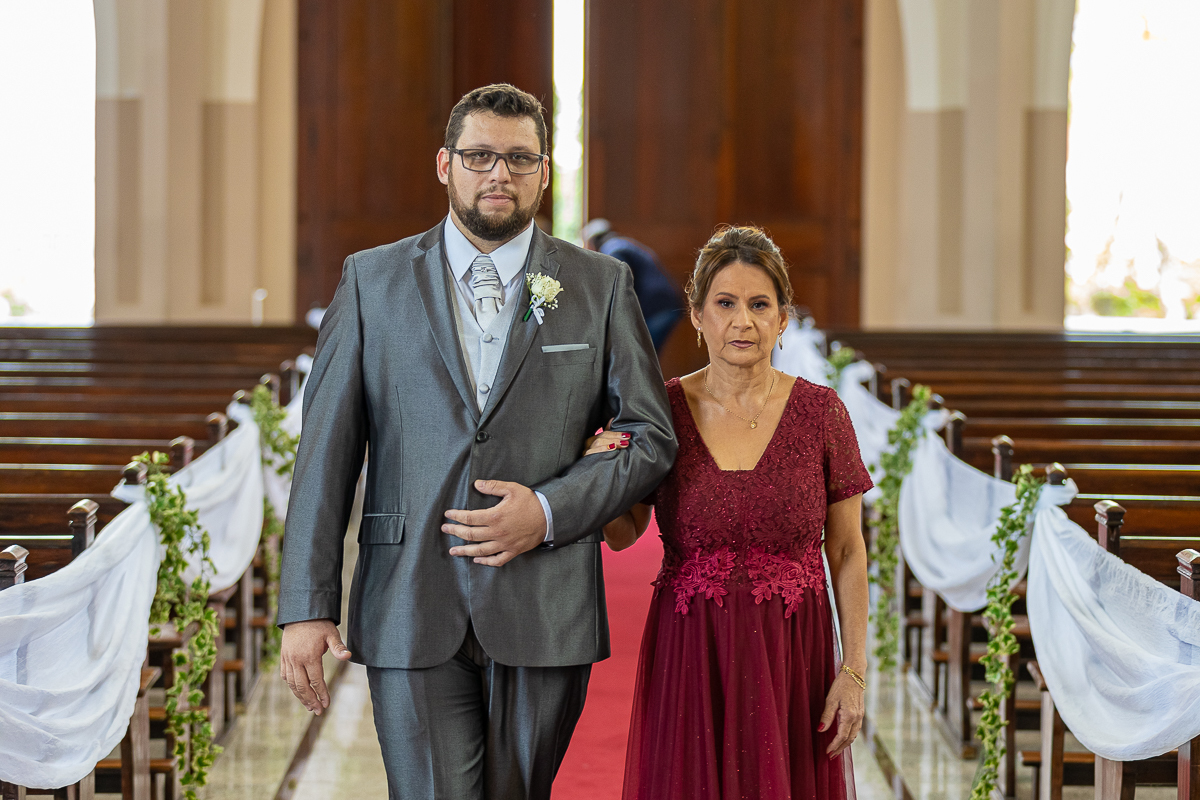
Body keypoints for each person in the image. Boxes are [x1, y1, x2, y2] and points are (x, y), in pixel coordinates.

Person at [276, 83, 677, 800]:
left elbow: (647, 434)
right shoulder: (371, 281)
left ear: (545, 172)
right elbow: (325, 454)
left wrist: (549, 511)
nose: (501, 174)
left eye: (520, 159)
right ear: (445, 164)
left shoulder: (599, 284)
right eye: (481, 156)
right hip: (408, 594)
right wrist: (308, 605)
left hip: (547, 597)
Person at [587, 225, 872, 799]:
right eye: (725, 304)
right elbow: (623, 535)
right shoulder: (660, 411)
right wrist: (597, 475)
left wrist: (855, 672)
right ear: (696, 315)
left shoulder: (822, 414)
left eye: (760, 304)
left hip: (795, 656)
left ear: (783, 317)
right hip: (691, 652)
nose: (743, 321)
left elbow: (845, 550)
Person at [583, 219, 684, 352]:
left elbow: (621, 286)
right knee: (643, 356)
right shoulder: (620, 244)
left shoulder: (613, 250)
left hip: (657, 307)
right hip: (663, 304)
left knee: (641, 356)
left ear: (592, 242)